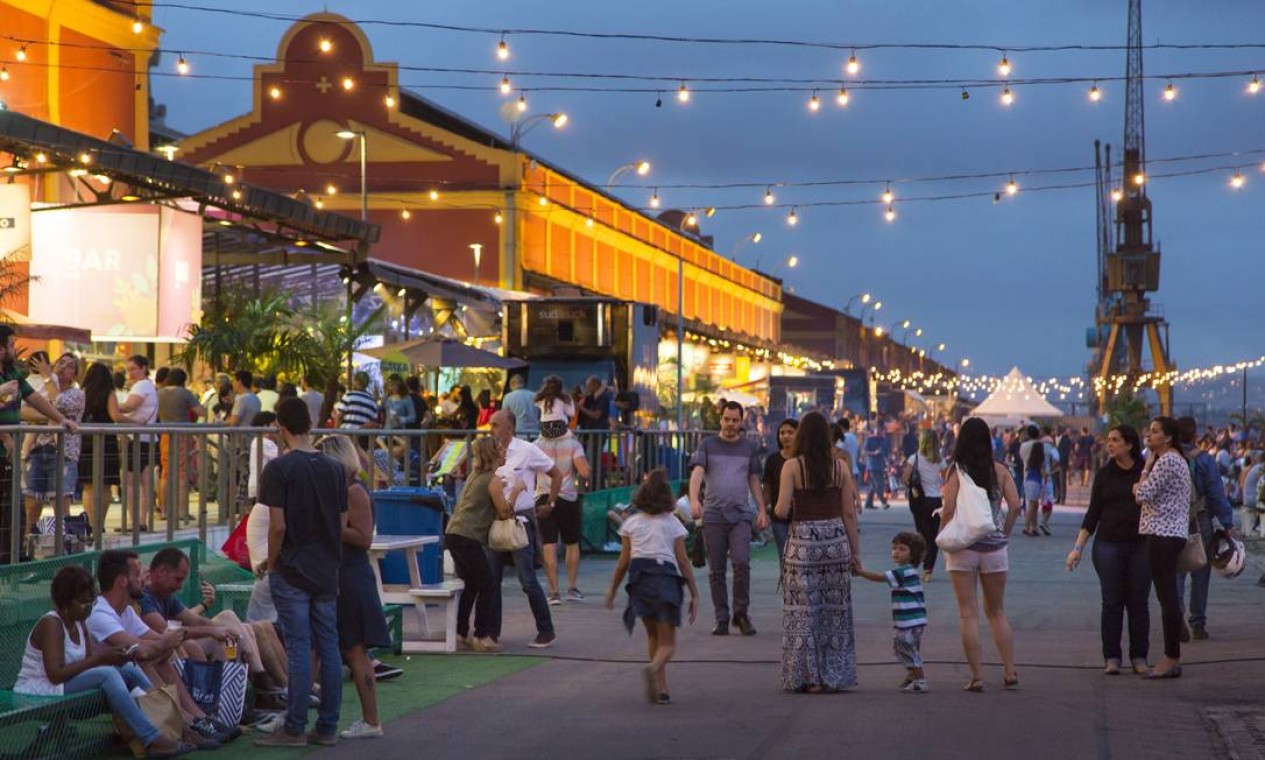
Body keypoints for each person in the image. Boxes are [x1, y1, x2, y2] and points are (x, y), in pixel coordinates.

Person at [15, 565, 193, 759]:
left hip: (65, 684)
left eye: (91, 601)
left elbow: (90, 662)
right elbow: (55, 675)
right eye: (84, 603)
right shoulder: (51, 624)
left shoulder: (79, 622)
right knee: (107, 673)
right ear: (65, 602)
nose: (89, 607)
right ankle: (152, 739)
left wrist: (115, 657)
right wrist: (102, 659)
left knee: (127, 669)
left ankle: (178, 726)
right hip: (39, 688)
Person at [255, 397, 348, 747]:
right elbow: (340, 523)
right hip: (326, 567)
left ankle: (294, 727)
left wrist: (273, 561)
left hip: (293, 568)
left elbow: (277, 526)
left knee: (298, 647)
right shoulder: (335, 468)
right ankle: (327, 727)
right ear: (308, 424)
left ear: (280, 427)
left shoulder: (279, 469)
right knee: (329, 646)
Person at [86, 550, 233, 747]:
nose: (143, 580)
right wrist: (171, 640)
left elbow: (157, 640)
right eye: (138, 575)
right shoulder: (100, 613)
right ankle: (185, 722)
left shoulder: (126, 610)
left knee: (161, 653)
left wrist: (170, 641)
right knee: (146, 658)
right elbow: (142, 650)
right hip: (97, 677)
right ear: (122, 581)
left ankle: (196, 717)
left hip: (120, 673)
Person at [772, 411, 860, 692]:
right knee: (834, 612)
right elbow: (849, 513)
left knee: (804, 612)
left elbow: (782, 510)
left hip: (803, 545)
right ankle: (834, 674)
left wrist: (774, 507)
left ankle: (807, 678)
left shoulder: (792, 467)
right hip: (835, 542)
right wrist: (855, 553)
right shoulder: (840, 468)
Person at [318, 435, 391, 740]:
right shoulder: (343, 490)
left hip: (352, 576)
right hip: (342, 575)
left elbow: (363, 539)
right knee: (341, 650)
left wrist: (331, 525)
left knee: (355, 650)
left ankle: (371, 720)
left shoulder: (354, 492)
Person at [940, 417, 1021, 693]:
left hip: (964, 547)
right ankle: (1009, 670)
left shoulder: (957, 470)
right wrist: (1005, 533)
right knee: (997, 611)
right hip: (995, 547)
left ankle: (977, 677)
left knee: (968, 613)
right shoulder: (999, 469)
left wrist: (942, 535)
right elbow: (1016, 505)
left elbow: (949, 508)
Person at [605, 469, 698, 705]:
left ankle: (661, 687)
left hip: (639, 580)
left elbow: (623, 562)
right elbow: (683, 561)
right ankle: (653, 669)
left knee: (653, 635)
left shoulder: (631, 523)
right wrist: (694, 594)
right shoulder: (673, 522)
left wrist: (613, 590)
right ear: (668, 497)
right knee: (668, 644)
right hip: (664, 578)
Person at [1066, 425, 1149, 676]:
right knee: (1111, 602)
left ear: (1129, 444)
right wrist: (1077, 548)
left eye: (1115, 440)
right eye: (1109, 440)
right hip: (1108, 544)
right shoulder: (1104, 475)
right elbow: (1093, 514)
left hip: (1141, 544)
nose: (1110, 444)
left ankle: (1139, 656)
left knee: (1138, 602)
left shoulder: (1145, 472)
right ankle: (1112, 656)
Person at [0, 325, 80, 562]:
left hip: (20, 453)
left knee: (16, 509)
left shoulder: (13, 373)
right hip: (20, 450)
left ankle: (16, 559)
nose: (15, 349)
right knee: (21, 506)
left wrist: (60, 418)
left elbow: (37, 400)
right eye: (12, 344)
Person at [689, 400, 768, 636]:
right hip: (713, 516)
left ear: (741, 422)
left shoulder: (749, 448)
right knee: (717, 569)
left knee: (742, 563)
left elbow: (754, 480)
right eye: (727, 419)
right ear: (720, 419)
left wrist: (762, 510)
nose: (730, 424)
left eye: (735, 420)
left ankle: (741, 614)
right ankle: (721, 617)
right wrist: (694, 499)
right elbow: (697, 473)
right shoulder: (708, 445)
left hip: (741, 516)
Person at [487, 410, 562, 648]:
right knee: (492, 580)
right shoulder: (491, 452)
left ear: (510, 428)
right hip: (498, 519)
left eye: (496, 425)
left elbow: (555, 472)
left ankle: (546, 630)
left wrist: (551, 502)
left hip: (520, 520)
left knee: (527, 580)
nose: (492, 429)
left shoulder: (527, 450)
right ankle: (491, 631)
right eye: (491, 425)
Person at [1132, 416, 1193, 680]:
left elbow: (1142, 494)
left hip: (1162, 533)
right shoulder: (1174, 459)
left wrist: (1142, 476)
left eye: (1155, 431)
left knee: (1166, 595)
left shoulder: (1167, 460)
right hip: (1169, 532)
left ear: (1168, 437)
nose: (1149, 434)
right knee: (1166, 593)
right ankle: (1176, 626)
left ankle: (1171, 656)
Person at [1174, 416, 1235, 641]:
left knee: (1177, 570)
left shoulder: (1168, 458)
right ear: (1194, 435)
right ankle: (1198, 621)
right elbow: (1216, 493)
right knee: (1201, 571)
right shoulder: (1204, 460)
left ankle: (1176, 617)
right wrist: (1227, 522)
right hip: (1201, 520)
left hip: (1174, 522)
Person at [445, 437, 507, 652]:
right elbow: (505, 511)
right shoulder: (493, 479)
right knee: (488, 585)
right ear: (493, 453)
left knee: (470, 585)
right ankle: (482, 636)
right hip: (468, 536)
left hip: (454, 533)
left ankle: (460, 632)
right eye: (500, 447)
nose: (504, 450)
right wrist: (516, 490)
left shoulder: (475, 475)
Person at [855, 532, 930, 693]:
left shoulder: (902, 572)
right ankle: (912, 675)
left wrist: (860, 572)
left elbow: (880, 577)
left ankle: (920, 680)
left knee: (907, 649)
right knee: (905, 648)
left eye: (902, 549)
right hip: (915, 620)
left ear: (913, 554)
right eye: (894, 548)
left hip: (908, 621)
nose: (896, 552)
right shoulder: (910, 571)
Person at [532, 400, 591, 604]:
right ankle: (572, 589)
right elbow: (584, 471)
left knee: (548, 544)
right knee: (571, 543)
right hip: (568, 498)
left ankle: (553, 592)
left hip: (543, 498)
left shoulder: (536, 445)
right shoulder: (573, 444)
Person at [23, 353, 84, 537]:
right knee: (32, 505)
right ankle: (27, 547)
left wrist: (47, 377)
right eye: (61, 362)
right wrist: (50, 415)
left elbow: (59, 402)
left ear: (75, 374)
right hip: (37, 450)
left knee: (60, 504)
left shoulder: (77, 394)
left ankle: (64, 549)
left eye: (70, 365)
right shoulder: (39, 387)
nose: (63, 366)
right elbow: (24, 411)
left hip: (63, 453)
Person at [78, 362, 123, 532]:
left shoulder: (83, 393)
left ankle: (90, 523)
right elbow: (115, 415)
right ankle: (100, 523)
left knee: (88, 484)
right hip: (106, 440)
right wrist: (135, 421)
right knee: (105, 484)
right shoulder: (108, 393)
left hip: (87, 439)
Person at [157, 368, 204, 523]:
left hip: (164, 434)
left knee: (165, 473)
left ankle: (164, 510)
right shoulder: (185, 393)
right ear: (183, 380)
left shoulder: (160, 393)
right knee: (182, 473)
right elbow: (201, 411)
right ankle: (182, 511)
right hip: (182, 435)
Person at [903, 429, 947, 583]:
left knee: (922, 535)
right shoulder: (940, 460)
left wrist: (916, 483)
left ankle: (915, 565)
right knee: (933, 537)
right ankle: (928, 569)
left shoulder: (913, 458)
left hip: (920, 502)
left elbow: (905, 479)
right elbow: (946, 478)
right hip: (936, 501)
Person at [764, 418, 799, 563]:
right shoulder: (772, 460)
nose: (785, 436)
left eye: (790, 432)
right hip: (779, 519)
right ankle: (786, 585)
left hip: (802, 518)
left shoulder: (804, 460)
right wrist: (762, 511)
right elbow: (767, 489)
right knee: (784, 558)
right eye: (782, 433)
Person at [1021, 425, 1055, 536]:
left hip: (1026, 474)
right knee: (1033, 503)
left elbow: (1022, 458)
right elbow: (1044, 461)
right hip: (1035, 476)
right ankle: (1028, 526)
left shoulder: (1024, 446)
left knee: (1032, 503)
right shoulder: (1040, 446)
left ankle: (1034, 527)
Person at [862, 425, 890, 510]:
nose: (877, 433)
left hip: (880, 465)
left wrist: (887, 462)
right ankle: (883, 502)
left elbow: (886, 452)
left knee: (873, 485)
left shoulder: (884, 440)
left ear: (882, 432)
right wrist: (873, 453)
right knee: (878, 484)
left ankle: (868, 503)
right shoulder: (870, 439)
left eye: (879, 431)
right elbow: (864, 451)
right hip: (872, 465)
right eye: (876, 431)